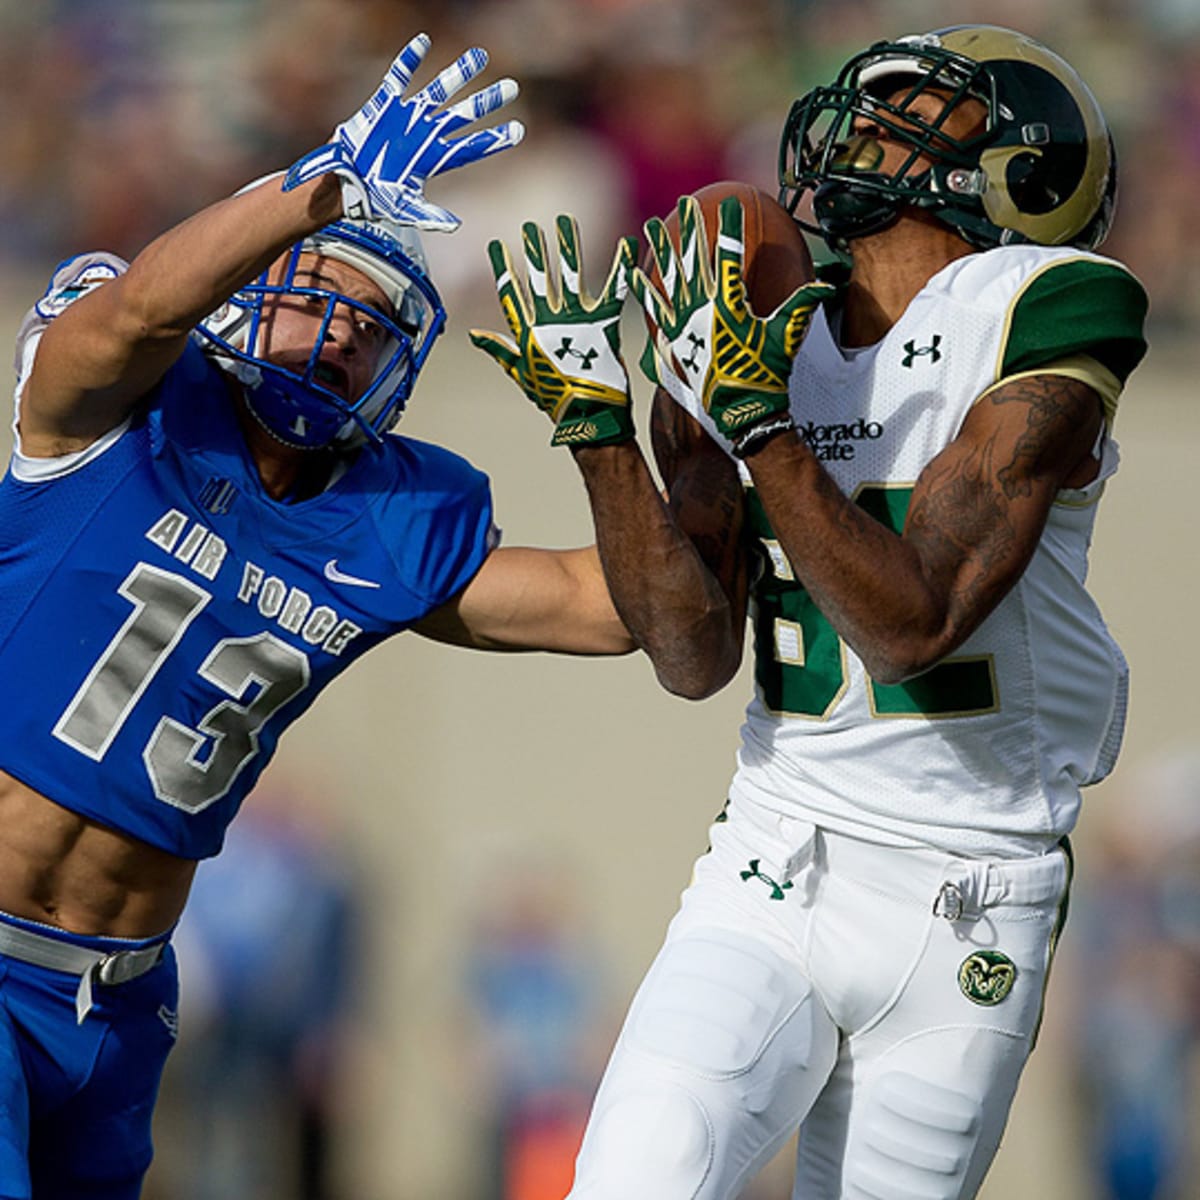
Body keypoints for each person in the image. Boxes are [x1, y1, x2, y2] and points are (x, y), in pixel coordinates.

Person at [473, 23, 1149, 1200]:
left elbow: (913, 621)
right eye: (871, 97)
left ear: (1023, 167)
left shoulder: (1050, 302)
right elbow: (690, 655)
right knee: (634, 1177)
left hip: (972, 890)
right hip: (777, 854)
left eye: (914, 108)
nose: (866, 120)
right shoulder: (755, 315)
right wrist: (599, 434)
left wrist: (761, 428)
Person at [0, 32, 632, 1200]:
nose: (341, 330)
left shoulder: (392, 518)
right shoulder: (119, 409)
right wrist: (322, 187)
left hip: (124, 991)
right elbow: (137, 309)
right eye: (321, 295)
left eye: (373, 323)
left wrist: (682, 447)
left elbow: (613, 609)